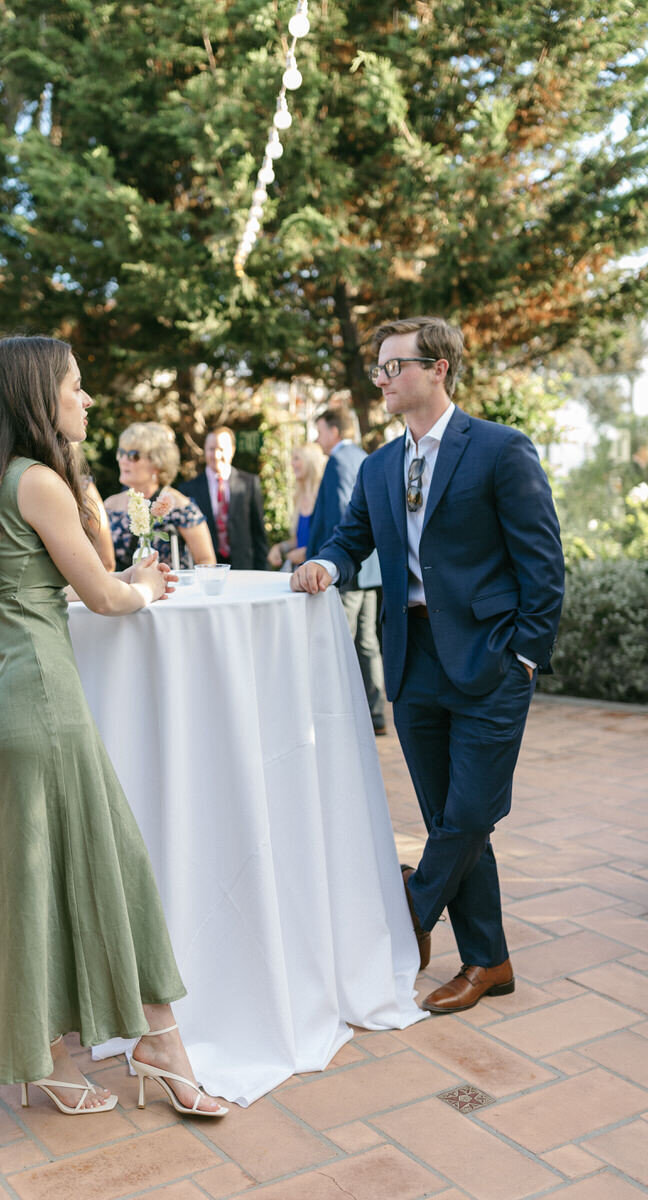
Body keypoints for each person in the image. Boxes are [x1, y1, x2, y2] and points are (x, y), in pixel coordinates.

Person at [0, 336, 227, 1117]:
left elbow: (45, 585)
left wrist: (116, 571)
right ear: (39, 398)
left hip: (2, 704)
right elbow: (101, 591)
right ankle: (158, 1046)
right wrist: (144, 589)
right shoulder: (38, 482)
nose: (88, 400)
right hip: (44, 702)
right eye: (74, 387)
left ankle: (54, 1061)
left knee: (38, 883)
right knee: (113, 869)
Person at [293, 315, 564, 1014]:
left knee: (471, 810)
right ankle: (488, 961)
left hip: (491, 662)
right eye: (378, 369)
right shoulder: (381, 465)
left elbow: (544, 565)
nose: (381, 379)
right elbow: (351, 537)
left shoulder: (501, 450)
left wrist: (526, 657)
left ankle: (411, 912)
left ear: (439, 367)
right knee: (450, 816)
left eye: (394, 366)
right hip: (412, 665)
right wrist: (326, 562)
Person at [306, 407, 386, 735]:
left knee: (342, 641)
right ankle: (376, 712)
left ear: (335, 431)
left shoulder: (338, 462)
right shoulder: (362, 456)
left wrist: (331, 562)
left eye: (320, 431)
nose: (317, 438)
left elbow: (343, 516)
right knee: (367, 643)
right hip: (372, 571)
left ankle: (343, 716)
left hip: (349, 571)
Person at [104, 421, 215, 571]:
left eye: (133, 455)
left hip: (168, 591)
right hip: (122, 591)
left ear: (157, 464)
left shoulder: (181, 507)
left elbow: (206, 560)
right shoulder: (110, 505)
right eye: (121, 453)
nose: (123, 460)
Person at [180, 426, 268, 570]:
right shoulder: (189, 489)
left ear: (232, 450)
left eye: (221, 449)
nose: (216, 455)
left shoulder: (249, 483)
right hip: (206, 569)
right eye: (211, 449)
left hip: (244, 567)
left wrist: (263, 570)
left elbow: (258, 533)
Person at [267, 442, 326, 570]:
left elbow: (333, 539)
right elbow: (297, 541)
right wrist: (279, 548)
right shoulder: (298, 498)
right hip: (300, 572)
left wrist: (307, 552)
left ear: (310, 461)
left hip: (320, 572)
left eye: (296, 458)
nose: (292, 464)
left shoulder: (324, 497)